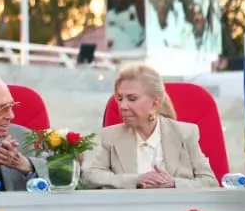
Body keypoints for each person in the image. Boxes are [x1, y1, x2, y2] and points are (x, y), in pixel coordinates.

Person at [81, 63, 218, 190]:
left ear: (154, 103)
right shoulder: (111, 136)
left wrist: (174, 183)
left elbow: (210, 182)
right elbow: (89, 177)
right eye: (120, 99)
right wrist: (135, 180)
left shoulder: (185, 133)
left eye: (132, 99)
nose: (122, 106)